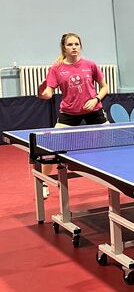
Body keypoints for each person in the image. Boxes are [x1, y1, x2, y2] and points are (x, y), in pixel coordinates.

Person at [39, 32, 110, 198]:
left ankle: (117, 179)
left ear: (80, 46)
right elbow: (49, 92)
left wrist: (96, 99)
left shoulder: (90, 65)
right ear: (64, 47)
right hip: (69, 112)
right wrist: (44, 94)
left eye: (76, 44)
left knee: (112, 143)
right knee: (51, 146)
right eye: (70, 45)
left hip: (93, 110)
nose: (74, 47)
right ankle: (43, 181)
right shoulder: (56, 68)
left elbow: (104, 87)